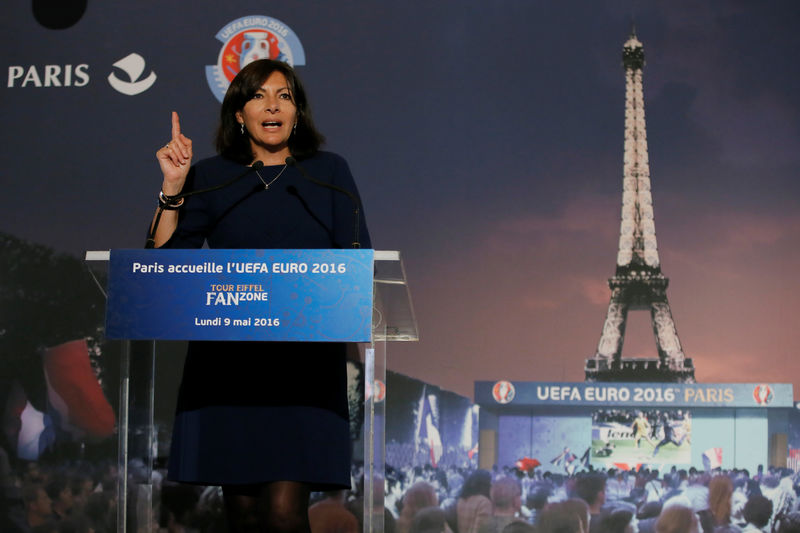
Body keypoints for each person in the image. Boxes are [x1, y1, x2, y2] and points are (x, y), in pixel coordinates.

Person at [151, 59, 371, 533]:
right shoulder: (211, 176)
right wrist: (173, 189)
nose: (272, 105)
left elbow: (359, 268)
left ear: (297, 112)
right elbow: (164, 269)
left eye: (284, 96)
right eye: (259, 96)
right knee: (245, 514)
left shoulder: (328, 172)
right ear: (238, 114)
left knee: (283, 511)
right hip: (230, 369)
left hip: (303, 371)